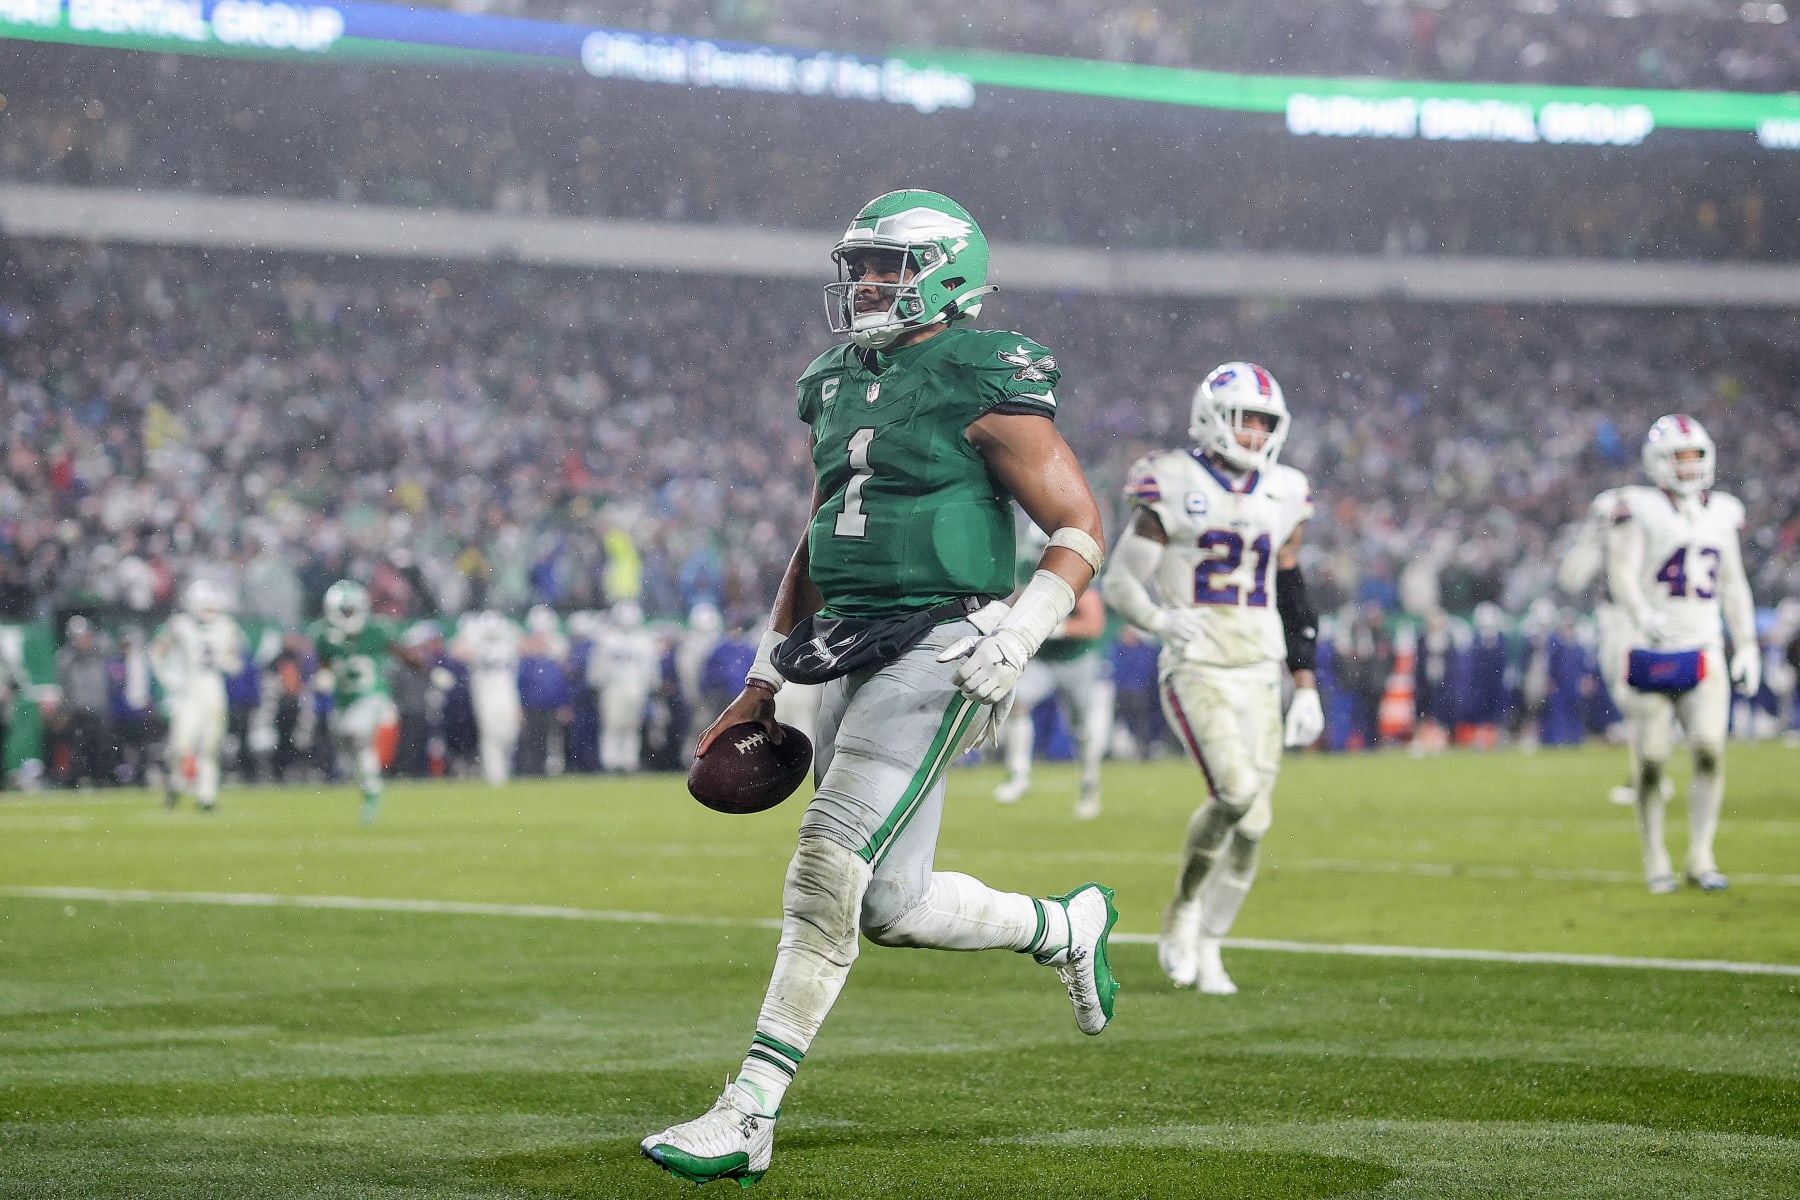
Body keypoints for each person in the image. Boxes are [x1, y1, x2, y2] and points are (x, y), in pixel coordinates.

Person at [640, 190, 1119, 1188]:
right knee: (892, 905)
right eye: (858, 266)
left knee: (828, 862)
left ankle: (749, 1111)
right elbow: (820, 536)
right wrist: (760, 679)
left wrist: (1023, 630)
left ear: (945, 271)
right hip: (847, 640)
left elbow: (1078, 526)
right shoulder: (833, 380)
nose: (867, 283)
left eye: (889, 266)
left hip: (946, 639)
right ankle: (1065, 927)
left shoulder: (984, 372)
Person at [1100, 361, 1322, 996]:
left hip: (1260, 667)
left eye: (1264, 422)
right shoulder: (1171, 479)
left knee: (1254, 827)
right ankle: (1184, 909)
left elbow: (1292, 586)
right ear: (1212, 417)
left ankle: (1212, 944)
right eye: (1244, 419)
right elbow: (1120, 580)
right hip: (1197, 664)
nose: (1254, 433)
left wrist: (1305, 681)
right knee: (1235, 793)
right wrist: (1158, 619)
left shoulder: (1285, 490)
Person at [1606, 414, 1758, 894]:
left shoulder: (1723, 512)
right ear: (1657, 462)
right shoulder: (1638, 507)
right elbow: (1622, 571)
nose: (1689, 466)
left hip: (1704, 644)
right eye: (1680, 457)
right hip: (1650, 648)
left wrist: (1748, 643)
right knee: (1651, 760)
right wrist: (1638, 612)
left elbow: (1734, 586)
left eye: (1695, 456)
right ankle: (1655, 857)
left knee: (1710, 750)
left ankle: (1700, 855)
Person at [992, 524, 1112, 819]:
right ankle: (1018, 775)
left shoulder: (1077, 567)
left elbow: (1093, 624)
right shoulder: (1024, 568)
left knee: (1081, 728)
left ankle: (1089, 785)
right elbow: (1016, 606)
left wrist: (1052, 627)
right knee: (1015, 700)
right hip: (1043, 660)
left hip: (1076, 660)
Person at [307, 579, 416, 823]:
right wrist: (323, 675)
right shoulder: (325, 635)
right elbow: (323, 662)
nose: (348, 615)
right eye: (344, 611)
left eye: (350, 610)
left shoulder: (375, 630)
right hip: (345, 700)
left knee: (356, 734)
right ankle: (369, 790)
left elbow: (403, 653)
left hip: (373, 696)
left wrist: (429, 671)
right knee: (349, 749)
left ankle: (373, 790)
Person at [148, 581, 246, 810]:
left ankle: (206, 796)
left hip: (213, 689)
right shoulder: (180, 624)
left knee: (211, 746)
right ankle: (176, 783)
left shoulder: (227, 627)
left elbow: (237, 660)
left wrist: (231, 663)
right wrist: (168, 678)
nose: (210, 610)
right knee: (182, 746)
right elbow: (157, 651)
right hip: (189, 691)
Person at [452, 610, 523, 787]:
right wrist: (471, 636)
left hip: (506, 687)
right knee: (490, 732)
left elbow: (526, 645)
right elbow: (457, 651)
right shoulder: (475, 640)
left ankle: (504, 767)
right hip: (485, 689)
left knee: (510, 731)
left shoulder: (508, 641)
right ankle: (495, 774)